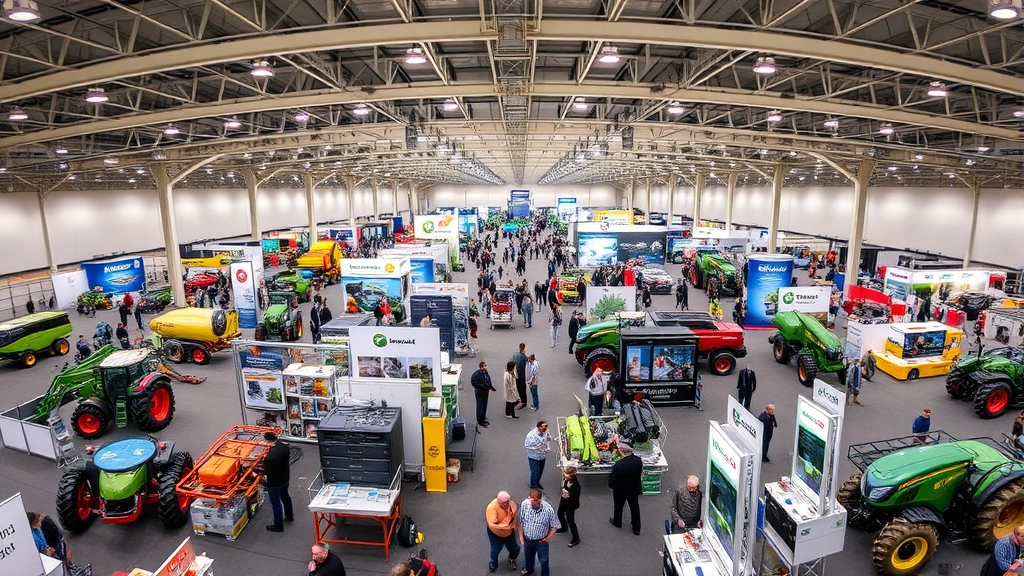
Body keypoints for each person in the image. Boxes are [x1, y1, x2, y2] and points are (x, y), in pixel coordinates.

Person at [518, 488, 560, 576]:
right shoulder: (525, 505)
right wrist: (521, 536)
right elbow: (521, 521)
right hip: (527, 539)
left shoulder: (548, 510)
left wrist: (547, 538)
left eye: (535, 500)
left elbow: (555, 526)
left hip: (541, 541)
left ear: (540, 499)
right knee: (528, 557)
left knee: (544, 561)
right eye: (531, 500)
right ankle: (529, 569)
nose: (532, 503)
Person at [608, 443, 643, 535]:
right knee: (634, 507)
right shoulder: (638, 461)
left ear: (621, 451)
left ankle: (617, 522)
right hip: (634, 488)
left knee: (618, 506)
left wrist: (611, 486)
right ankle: (636, 528)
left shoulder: (619, 465)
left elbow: (613, 478)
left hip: (620, 489)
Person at [262, 431, 294, 532]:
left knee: (276, 504)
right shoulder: (284, 447)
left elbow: (267, 473)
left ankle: (278, 526)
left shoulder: (270, 457)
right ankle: (289, 516)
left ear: (267, 441)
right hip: (285, 478)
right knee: (285, 497)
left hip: (274, 483)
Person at [486, 491, 521, 573]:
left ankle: (512, 558)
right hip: (496, 533)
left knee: (515, 548)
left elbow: (515, 515)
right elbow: (492, 524)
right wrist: (505, 526)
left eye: (508, 501)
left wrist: (514, 526)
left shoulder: (511, 504)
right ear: (499, 502)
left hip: (509, 532)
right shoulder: (492, 508)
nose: (508, 504)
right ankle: (493, 563)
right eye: (505, 502)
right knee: (495, 549)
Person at [556, 466, 581, 547]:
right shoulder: (566, 480)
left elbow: (574, 497)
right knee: (559, 513)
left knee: (571, 521)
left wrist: (568, 494)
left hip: (570, 505)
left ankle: (575, 538)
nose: (565, 476)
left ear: (572, 476)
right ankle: (564, 526)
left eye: (566, 475)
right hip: (564, 500)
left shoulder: (576, 486)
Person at [524, 421, 551, 489]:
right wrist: (537, 447)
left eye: (545, 426)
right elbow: (527, 446)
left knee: (540, 470)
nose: (544, 428)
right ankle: (533, 485)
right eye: (542, 426)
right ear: (538, 427)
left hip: (542, 455)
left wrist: (548, 447)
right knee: (535, 471)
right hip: (534, 457)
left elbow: (548, 438)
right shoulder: (531, 435)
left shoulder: (545, 432)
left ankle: (537, 482)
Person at [471, 361, 497, 428]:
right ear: (481, 367)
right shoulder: (477, 374)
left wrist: (491, 387)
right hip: (480, 392)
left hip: (485, 391)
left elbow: (488, 380)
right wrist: (483, 387)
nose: (486, 367)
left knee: (484, 404)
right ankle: (480, 420)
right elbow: (474, 383)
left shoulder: (485, 372)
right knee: (480, 405)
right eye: (485, 366)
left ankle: (483, 417)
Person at [512, 343, 529, 410]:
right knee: (523, 389)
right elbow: (528, 360)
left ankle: (519, 399)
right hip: (522, 375)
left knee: (518, 387)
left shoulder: (515, 355)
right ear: (524, 348)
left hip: (516, 374)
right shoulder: (523, 356)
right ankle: (524, 402)